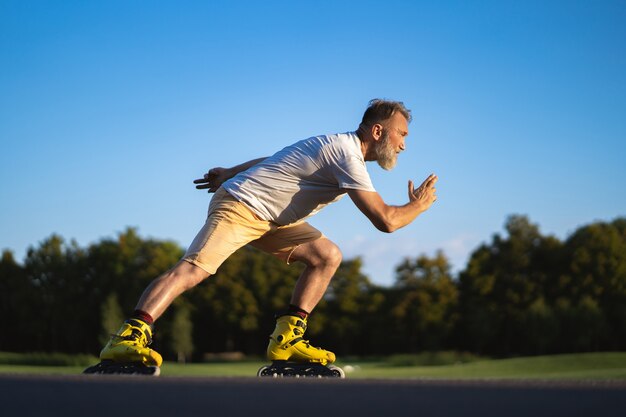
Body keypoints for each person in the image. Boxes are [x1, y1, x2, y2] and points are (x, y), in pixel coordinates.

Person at [99, 99, 438, 368]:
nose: (404, 145)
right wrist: (419, 206)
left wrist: (231, 170)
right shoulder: (347, 155)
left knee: (325, 256)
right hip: (242, 206)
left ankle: (286, 341)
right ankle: (127, 337)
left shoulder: (339, 147)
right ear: (378, 132)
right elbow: (386, 220)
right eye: (402, 134)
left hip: (273, 220)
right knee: (193, 270)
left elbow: (275, 159)